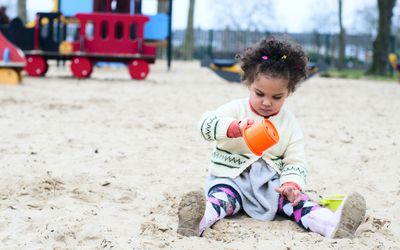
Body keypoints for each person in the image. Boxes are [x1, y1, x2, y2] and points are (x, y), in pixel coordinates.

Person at [177, 37, 366, 238]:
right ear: (249, 84)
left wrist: (291, 184)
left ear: (289, 92)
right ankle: (195, 222)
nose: (267, 102)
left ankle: (332, 224)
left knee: (299, 203)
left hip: (271, 186)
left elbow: (295, 160)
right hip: (231, 178)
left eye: (277, 97)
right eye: (260, 94)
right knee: (220, 201)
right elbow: (205, 125)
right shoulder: (235, 109)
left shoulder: (289, 123)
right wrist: (232, 127)